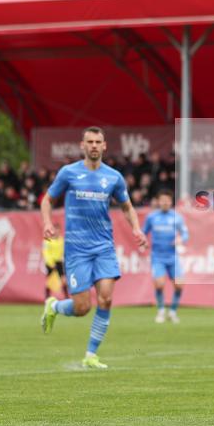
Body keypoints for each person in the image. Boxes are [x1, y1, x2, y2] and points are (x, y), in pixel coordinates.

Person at [39, 127, 146, 369]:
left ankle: (91, 354)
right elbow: (47, 200)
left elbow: (127, 207)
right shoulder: (68, 173)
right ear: (82, 145)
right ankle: (54, 306)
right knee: (81, 308)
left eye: (98, 141)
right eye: (90, 142)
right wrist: (47, 223)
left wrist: (137, 229)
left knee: (106, 299)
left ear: (104, 146)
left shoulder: (114, 177)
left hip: (103, 247)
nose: (94, 145)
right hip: (76, 248)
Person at [142, 189, 189, 324]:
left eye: (167, 200)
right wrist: (143, 242)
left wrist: (180, 240)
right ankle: (161, 310)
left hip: (173, 257)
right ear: (158, 202)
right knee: (160, 284)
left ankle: (173, 311)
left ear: (170, 201)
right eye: (162, 200)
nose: (165, 203)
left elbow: (185, 233)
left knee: (179, 285)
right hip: (157, 257)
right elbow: (144, 232)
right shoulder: (152, 217)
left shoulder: (177, 217)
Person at [43, 222, 66, 299]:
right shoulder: (48, 239)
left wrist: (62, 258)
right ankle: (47, 297)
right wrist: (50, 263)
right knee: (49, 281)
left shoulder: (61, 240)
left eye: (57, 229)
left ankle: (67, 297)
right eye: (54, 229)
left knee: (63, 280)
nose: (56, 231)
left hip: (59, 262)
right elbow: (45, 252)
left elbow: (64, 251)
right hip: (50, 263)